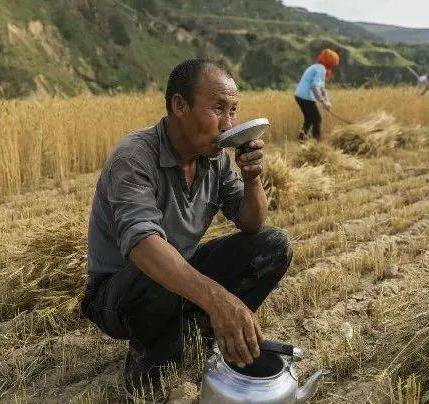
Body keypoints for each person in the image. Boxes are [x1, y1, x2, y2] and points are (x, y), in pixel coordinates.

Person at [79, 58, 293, 400]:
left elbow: (251, 222)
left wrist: (252, 179)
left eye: (234, 110)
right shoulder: (133, 159)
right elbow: (144, 245)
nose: (228, 123)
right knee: (157, 265)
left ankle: (199, 334)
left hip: (178, 274)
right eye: (218, 109)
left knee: (273, 245)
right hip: (119, 292)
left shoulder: (215, 158)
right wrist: (220, 300)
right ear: (180, 105)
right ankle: (154, 351)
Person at [294, 48, 340, 141]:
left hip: (298, 96)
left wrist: (327, 101)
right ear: (330, 63)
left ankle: (301, 139)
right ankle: (317, 143)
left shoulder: (316, 67)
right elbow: (315, 87)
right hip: (306, 97)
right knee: (317, 119)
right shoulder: (321, 69)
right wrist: (323, 101)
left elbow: (322, 88)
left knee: (309, 119)